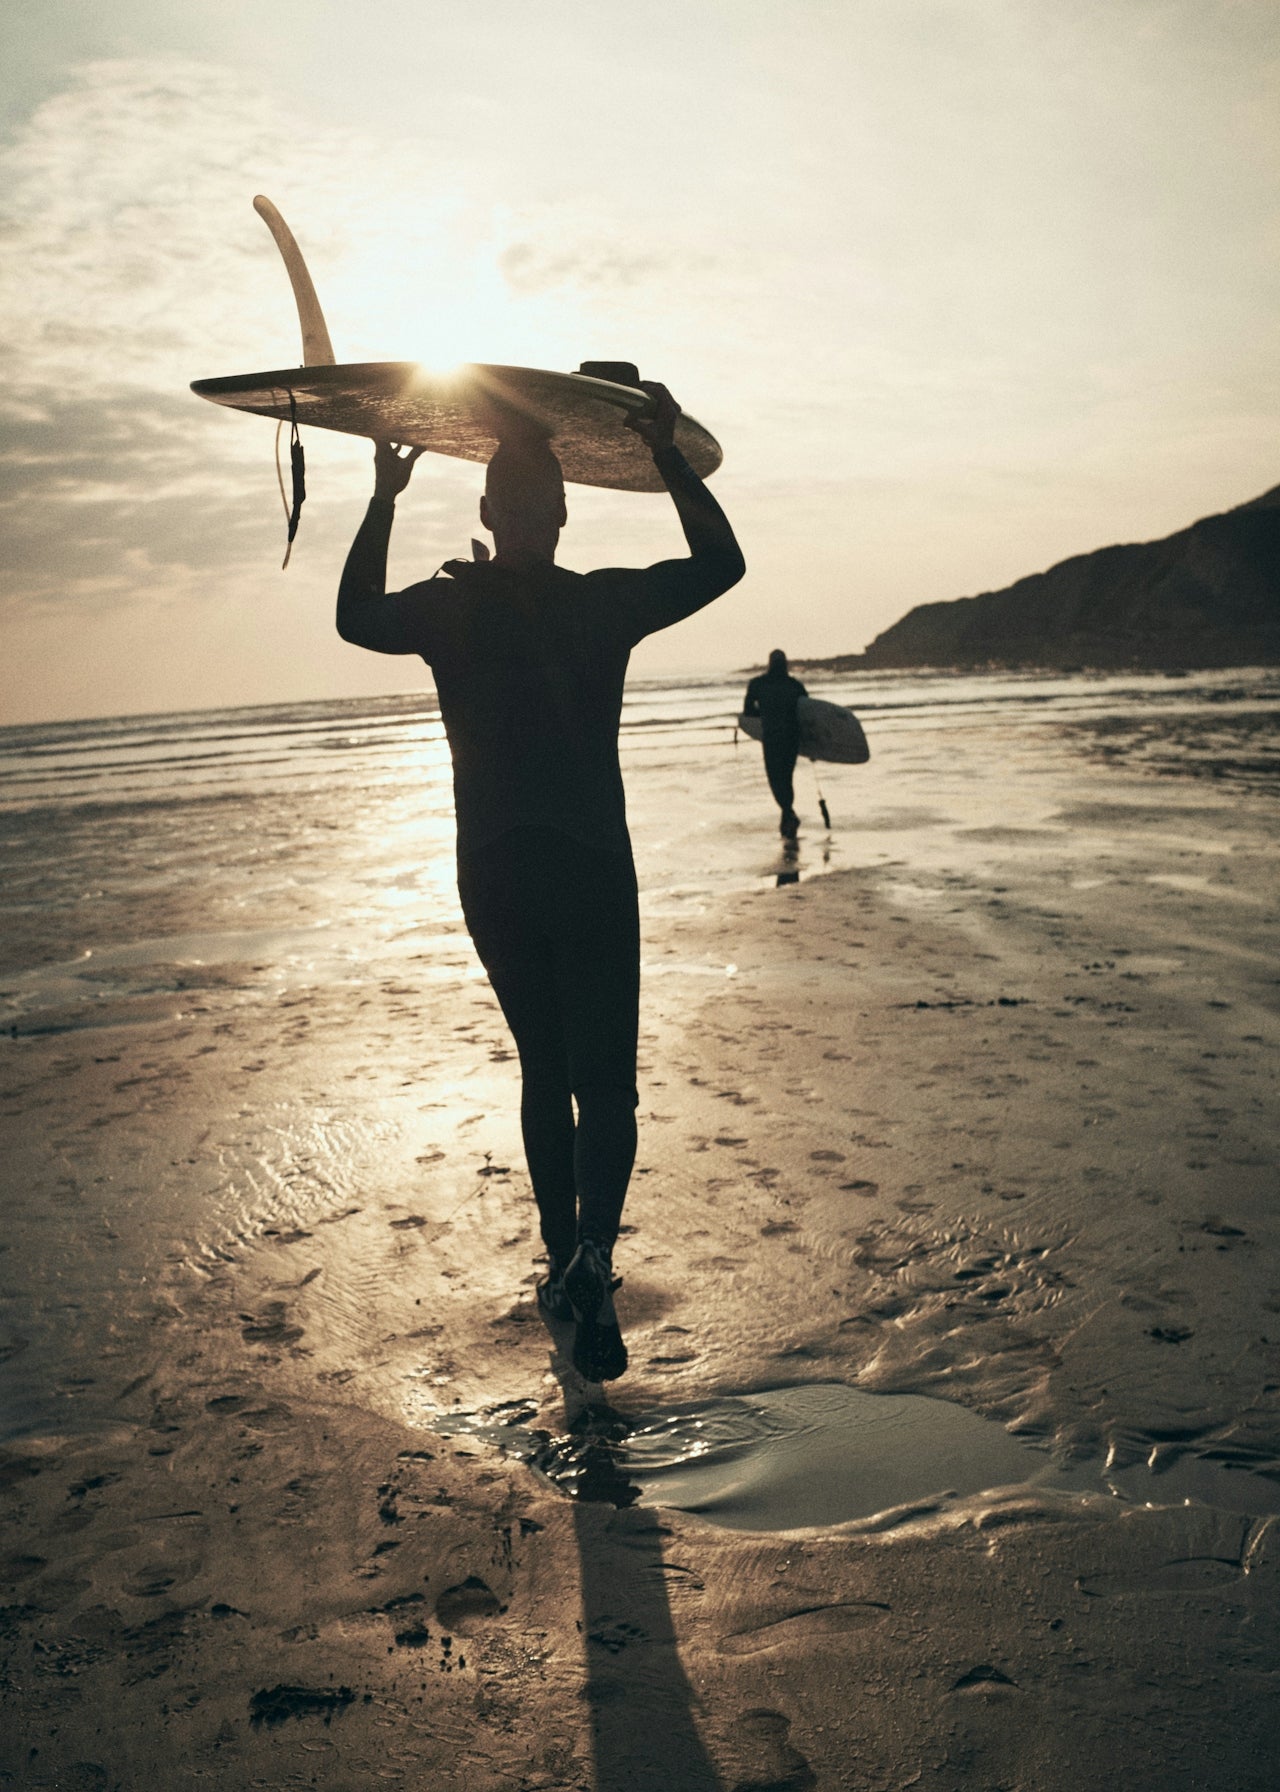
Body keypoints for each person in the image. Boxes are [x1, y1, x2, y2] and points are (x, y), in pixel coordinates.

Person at [336, 387, 744, 1382]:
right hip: (593, 864)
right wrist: (667, 458)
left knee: (540, 1070)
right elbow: (721, 565)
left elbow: (353, 618)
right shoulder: (601, 601)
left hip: (497, 870)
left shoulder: (447, 604)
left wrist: (384, 496)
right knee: (604, 1083)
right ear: (563, 513)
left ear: (485, 514)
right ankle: (594, 1259)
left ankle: (561, 1259)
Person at [742, 649, 808, 836]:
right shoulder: (794, 685)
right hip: (791, 738)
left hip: (772, 738)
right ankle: (788, 817)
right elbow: (807, 713)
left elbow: (748, 711)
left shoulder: (758, 684)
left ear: (769, 663)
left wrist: (765, 714)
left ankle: (788, 815)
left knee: (776, 779)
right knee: (786, 778)